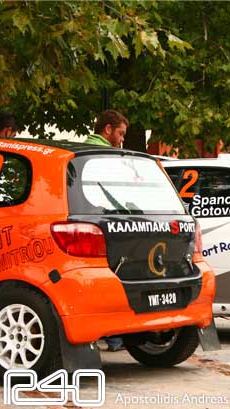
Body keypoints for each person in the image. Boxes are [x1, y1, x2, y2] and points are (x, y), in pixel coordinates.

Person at [86, 110, 129, 352]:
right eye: (120, 134)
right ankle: (114, 338)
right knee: (113, 281)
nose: (122, 139)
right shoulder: (107, 156)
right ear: (108, 129)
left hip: (88, 223)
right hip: (108, 223)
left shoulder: (82, 150)